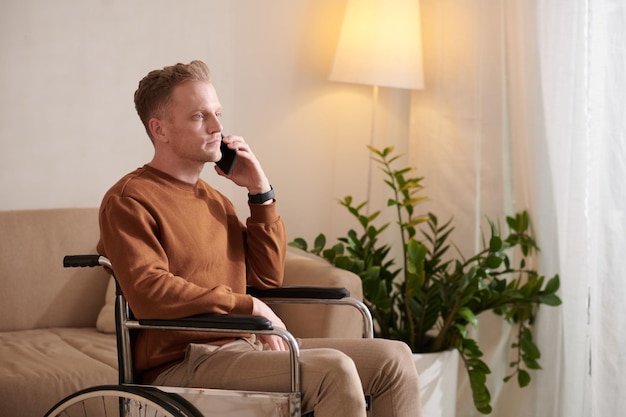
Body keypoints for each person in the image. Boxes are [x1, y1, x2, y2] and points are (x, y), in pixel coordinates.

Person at [97, 60, 422, 417]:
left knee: (394, 357)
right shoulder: (129, 199)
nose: (218, 127)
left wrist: (259, 192)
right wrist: (249, 306)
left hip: (243, 347)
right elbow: (149, 292)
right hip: (184, 362)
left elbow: (267, 279)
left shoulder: (215, 200)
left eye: (218, 113)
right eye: (199, 117)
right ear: (160, 129)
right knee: (334, 370)